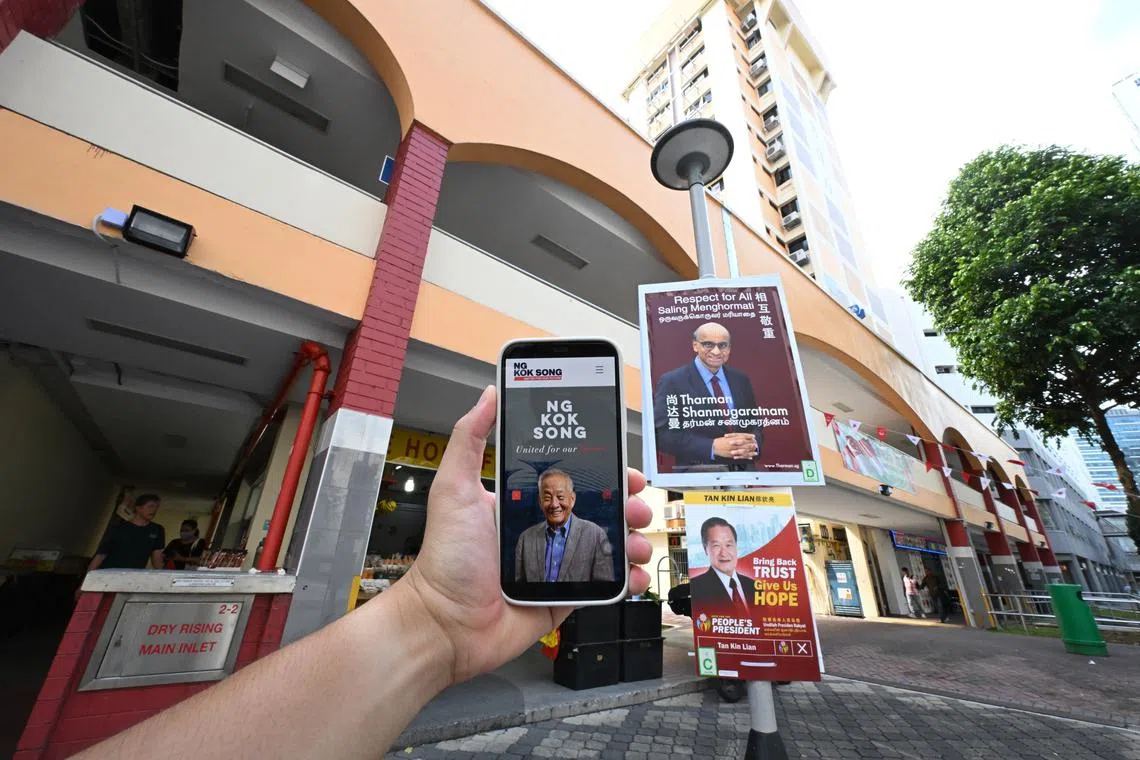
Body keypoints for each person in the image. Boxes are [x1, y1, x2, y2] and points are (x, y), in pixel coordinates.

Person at [73, 386, 653, 759]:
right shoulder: (521, 538)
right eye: (545, 494)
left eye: (560, 495)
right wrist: (433, 614)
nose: (551, 503)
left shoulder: (598, 538)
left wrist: (431, 623)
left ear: (575, 499)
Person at [652, 322, 762, 470]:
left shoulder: (740, 379)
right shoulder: (672, 381)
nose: (716, 352)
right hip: (698, 478)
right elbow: (663, 436)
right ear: (695, 345)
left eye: (722, 345)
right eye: (708, 344)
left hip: (745, 476)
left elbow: (755, 424)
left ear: (729, 348)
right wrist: (712, 447)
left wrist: (753, 445)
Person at [514, 469, 614, 582]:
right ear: (540, 502)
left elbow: (604, 589)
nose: (554, 504)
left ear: (572, 499)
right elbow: (519, 591)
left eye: (560, 497)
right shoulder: (525, 539)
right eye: (547, 498)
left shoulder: (595, 535)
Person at [689, 517, 756, 615]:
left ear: (736, 547)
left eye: (729, 545)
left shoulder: (754, 586)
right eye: (716, 545)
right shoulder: (696, 588)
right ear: (705, 549)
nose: (724, 553)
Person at [87, 494, 166, 571]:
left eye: (157, 507)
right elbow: (101, 554)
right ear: (138, 508)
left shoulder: (157, 530)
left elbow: (157, 557)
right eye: (151, 506)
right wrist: (88, 577)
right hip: (109, 571)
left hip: (132, 575)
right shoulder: (119, 528)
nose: (154, 510)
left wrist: (164, 575)